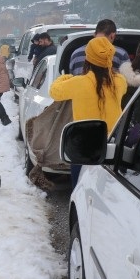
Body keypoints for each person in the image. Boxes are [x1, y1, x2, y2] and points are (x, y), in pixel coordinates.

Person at [50, 36, 127, 187]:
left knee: (80, 188)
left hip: (84, 146)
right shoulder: (119, 81)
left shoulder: (79, 83)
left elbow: (54, 91)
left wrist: (66, 76)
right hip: (112, 145)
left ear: (88, 59)